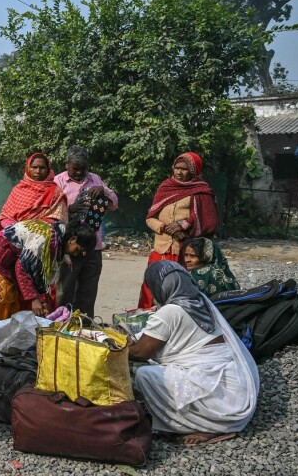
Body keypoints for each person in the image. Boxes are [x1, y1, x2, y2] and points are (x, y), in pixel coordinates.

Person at [129, 261, 259, 446]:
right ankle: (205, 419)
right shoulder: (200, 301)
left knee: (144, 374)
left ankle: (202, 426)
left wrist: (115, 350)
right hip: (232, 392)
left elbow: (141, 352)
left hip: (220, 403)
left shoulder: (171, 311)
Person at [0, 152, 68, 320]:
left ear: (48, 169)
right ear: (28, 168)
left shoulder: (55, 192)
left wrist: (30, 229)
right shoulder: (19, 189)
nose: (38, 171)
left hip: (36, 245)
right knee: (2, 298)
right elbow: (4, 216)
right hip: (8, 252)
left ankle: (27, 333)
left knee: (39, 291)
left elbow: (56, 219)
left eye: (42, 167)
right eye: (34, 167)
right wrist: (17, 229)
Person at [138, 152, 218, 308]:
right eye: (177, 168)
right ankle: (148, 322)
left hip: (185, 251)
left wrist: (183, 225)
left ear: (194, 171)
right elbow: (150, 218)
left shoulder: (201, 191)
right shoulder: (165, 187)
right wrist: (165, 228)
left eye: (185, 169)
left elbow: (209, 221)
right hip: (161, 250)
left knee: (180, 290)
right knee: (151, 287)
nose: (179, 172)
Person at [0, 219, 97, 316]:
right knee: (2, 307)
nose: (76, 255)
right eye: (77, 250)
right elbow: (22, 268)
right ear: (73, 240)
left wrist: (42, 299)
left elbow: (39, 270)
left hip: (12, 261)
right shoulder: (45, 240)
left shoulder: (59, 236)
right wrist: (34, 299)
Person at [54, 145, 118, 319]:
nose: (79, 172)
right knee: (64, 290)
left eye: (83, 168)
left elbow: (114, 205)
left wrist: (104, 191)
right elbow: (50, 210)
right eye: (75, 168)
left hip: (93, 247)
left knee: (88, 292)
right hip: (70, 246)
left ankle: (85, 327)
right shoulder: (58, 182)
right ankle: (60, 325)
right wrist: (70, 208)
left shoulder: (96, 179)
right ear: (67, 165)